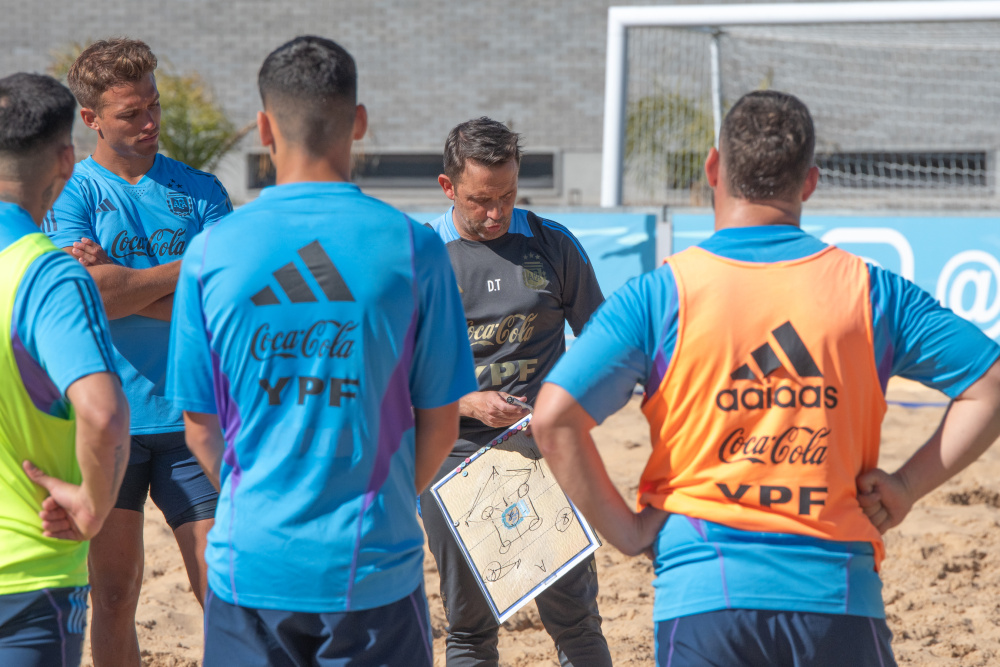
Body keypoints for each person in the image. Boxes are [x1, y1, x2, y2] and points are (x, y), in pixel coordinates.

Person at [532, 90, 1000, 666]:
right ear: (809, 182)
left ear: (713, 168)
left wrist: (627, 532)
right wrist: (905, 485)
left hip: (704, 591)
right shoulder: (870, 291)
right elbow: (991, 385)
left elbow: (554, 419)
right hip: (836, 590)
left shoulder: (662, 294)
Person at [165, 35, 474, 665]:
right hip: (372, 563)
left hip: (251, 563)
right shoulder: (413, 248)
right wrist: (385, 500)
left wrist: (260, 499)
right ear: (358, 122)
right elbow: (441, 423)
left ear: (263, 129)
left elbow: (200, 427)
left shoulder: (211, 252)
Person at [44, 38, 230, 667]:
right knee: (116, 593)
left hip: (192, 418)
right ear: (91, 119)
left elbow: (218, 301)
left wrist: (122, 282)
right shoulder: (69, 193)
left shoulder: (201, 190)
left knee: (221, 592)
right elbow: (90, 296)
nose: (150, 121)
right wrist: (189, 266)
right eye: (131, 113)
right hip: (108, 423)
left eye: (154, 105)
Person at [421, 116, 612, 667]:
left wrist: (563, 407)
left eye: (507, 195)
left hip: (542, 451)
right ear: (448, 186)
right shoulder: (421, 257)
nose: (496, 212)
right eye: (481, 200)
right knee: (469, 628)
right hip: (452, 457)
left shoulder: (552, 244)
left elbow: (603, 344)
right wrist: (466, 402)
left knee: (576, 620)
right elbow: (391, 374)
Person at [0, 72, 130, 666]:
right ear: (65, 159)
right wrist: (93, 507)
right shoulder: (48, 274)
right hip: (26, 573)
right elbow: (103, 415)